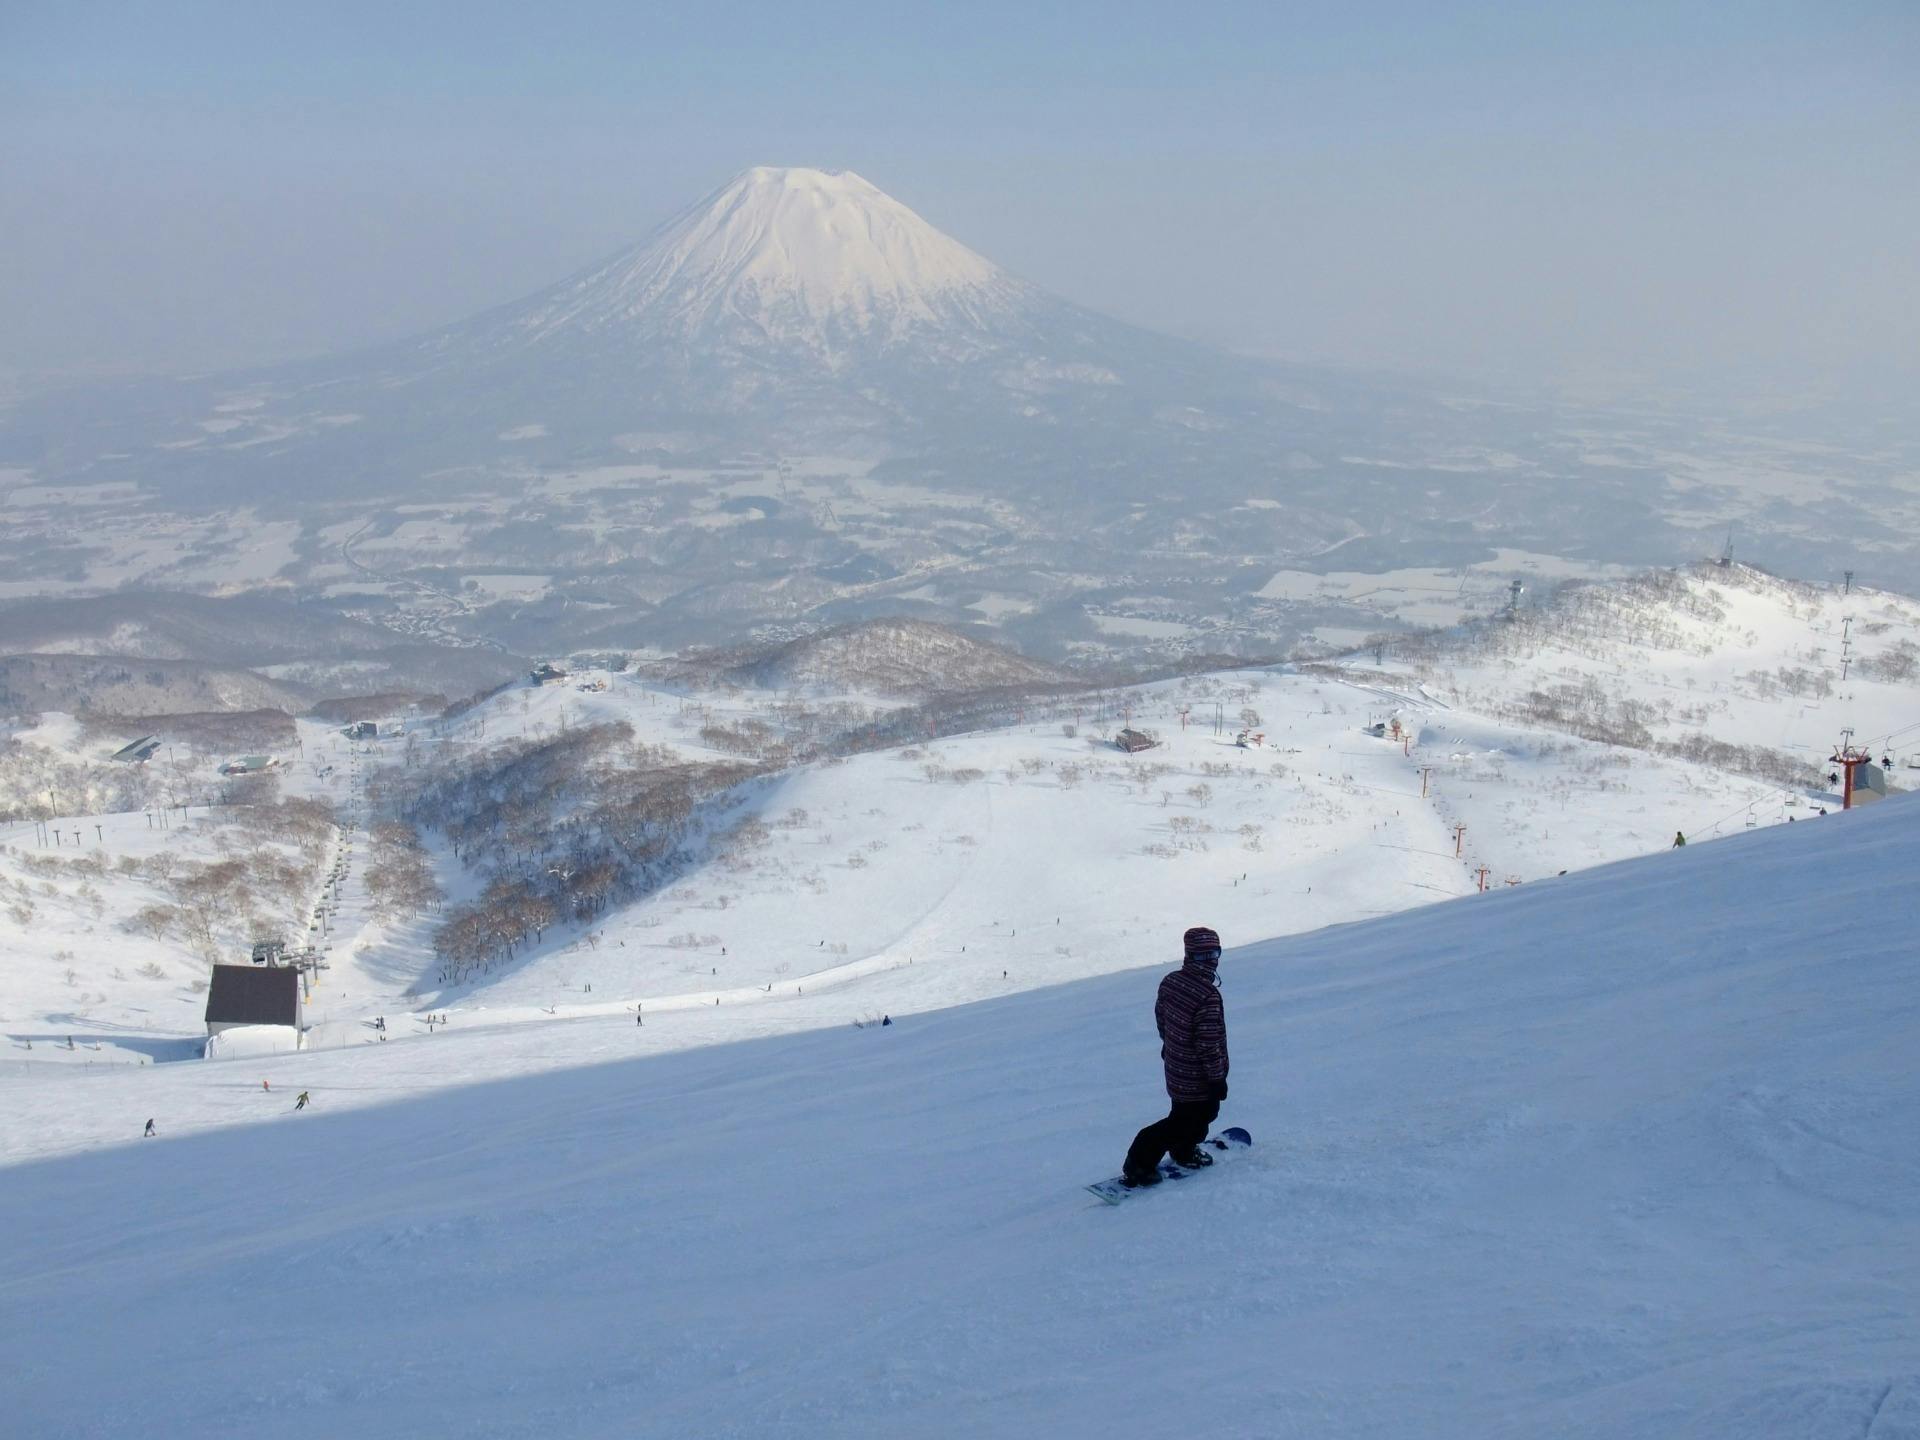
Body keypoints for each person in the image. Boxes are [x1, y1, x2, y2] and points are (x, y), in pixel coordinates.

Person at [1122, 926, 1229, 1187]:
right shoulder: (1207, 996)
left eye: (1214, 953)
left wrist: (1171, 1048)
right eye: (1204, 956)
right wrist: (1216, 1079)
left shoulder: (1171, 981)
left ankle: (1183, 1150)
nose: (1211, 960)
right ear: (1190, 955)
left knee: (1185, 1115)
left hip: (1175, 1067)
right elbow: (1208, 1043)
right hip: (1198, 1077)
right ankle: (1139, 1162)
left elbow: (1162, 1019)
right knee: (1191, 1121)